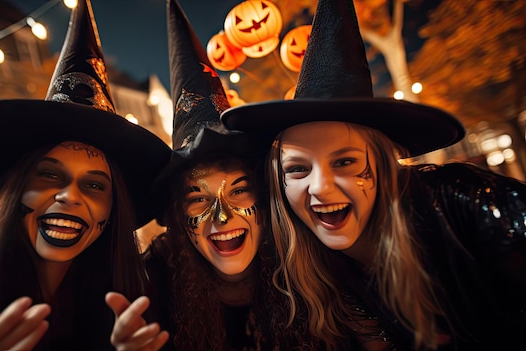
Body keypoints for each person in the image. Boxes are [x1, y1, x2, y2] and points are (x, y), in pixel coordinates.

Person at [221, 0, 526, 349]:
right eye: (298, 169)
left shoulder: (460, 202)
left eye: (345, 162)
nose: (319, 187)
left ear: (382, 162)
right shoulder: (313, 273)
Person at [0, 1, 171, 350]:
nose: (70, 197)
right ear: (18, 189)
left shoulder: (129, 289)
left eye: (93, 185)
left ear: (111, 211)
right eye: (49, 176)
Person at [106, 0, 331, 350]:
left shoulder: (312, 267)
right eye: (198, 199)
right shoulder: (151, 289)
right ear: (178, 215)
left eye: (239, 191)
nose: (222, 217)